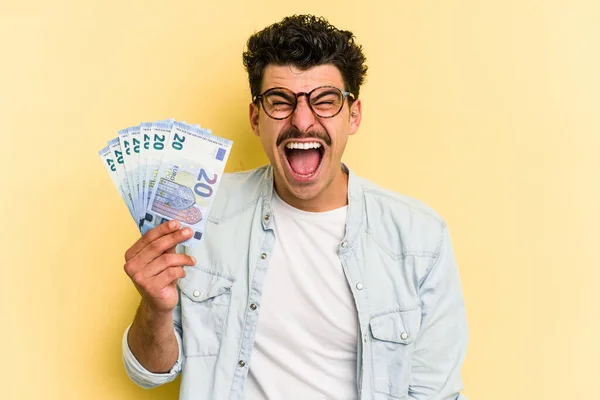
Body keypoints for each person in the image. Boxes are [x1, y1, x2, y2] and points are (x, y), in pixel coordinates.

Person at [121, 14, 468, 400]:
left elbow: (436, 394)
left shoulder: (420, 238)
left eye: (325, 101)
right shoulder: (200, 214)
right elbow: (149, 374)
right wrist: (155, 308)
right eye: (280, 102)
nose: (303, 122)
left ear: (353, 115)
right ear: (256, 118)